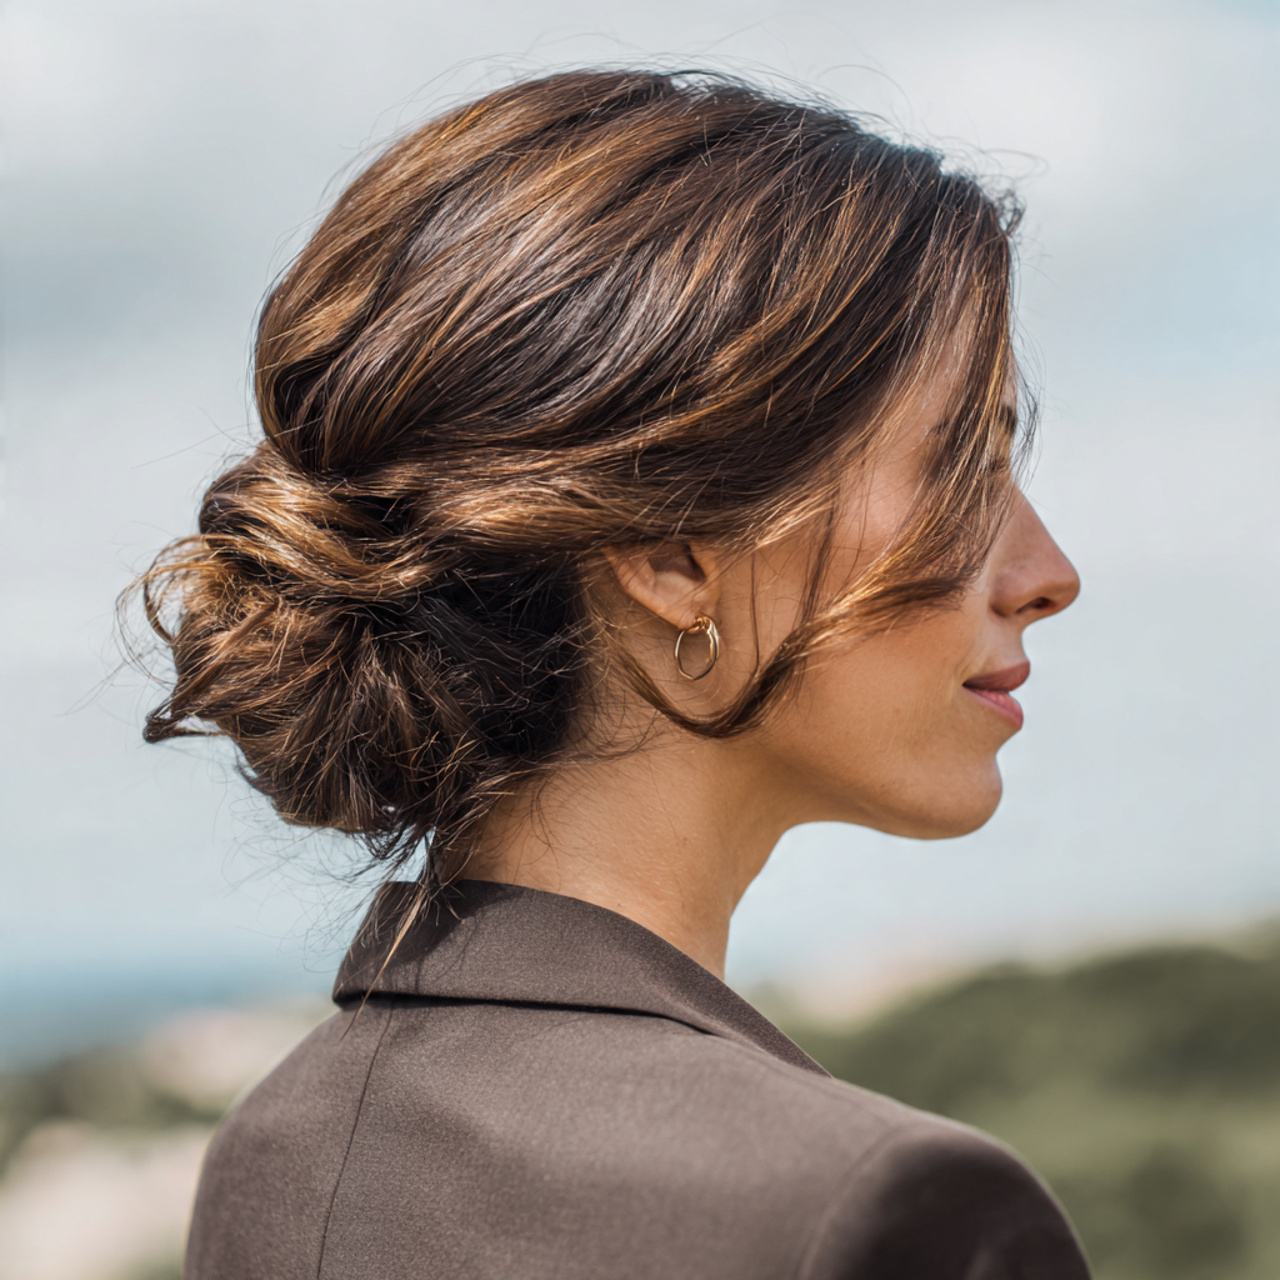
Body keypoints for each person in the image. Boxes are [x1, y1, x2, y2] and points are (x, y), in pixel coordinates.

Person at [141, 68, 1086, 1279]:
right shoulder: (878, 1213)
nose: (1046, 569)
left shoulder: (279, 1149)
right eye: (961, 465)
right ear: (671, 552)